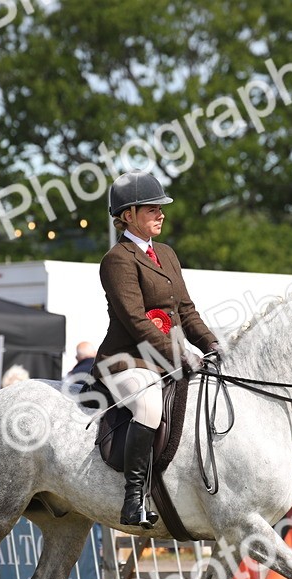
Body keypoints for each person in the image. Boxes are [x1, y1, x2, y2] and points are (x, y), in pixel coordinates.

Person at [91, 170, 222, 528]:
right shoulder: (118, 259)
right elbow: (136, 321)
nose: (161, 214)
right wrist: (182, 355)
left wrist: (211, 344)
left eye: (161, 208)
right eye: (152, 209)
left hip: (165, 361)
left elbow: (186, 311)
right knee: (149, 405)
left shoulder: (166, 253)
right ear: (128, 215)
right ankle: (133, 498)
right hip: (127, 361)